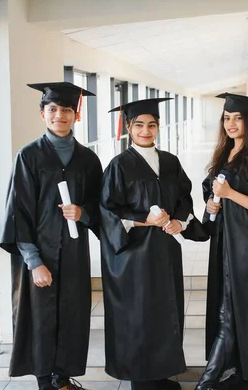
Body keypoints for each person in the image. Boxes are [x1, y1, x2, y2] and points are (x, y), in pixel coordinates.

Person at [0, 82, 102, 390]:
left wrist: (83, 213)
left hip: (73, 252)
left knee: (71, 313)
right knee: (41, 318)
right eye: (53, 109)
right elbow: (18, 212)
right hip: (39, 253)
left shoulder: (88, 160)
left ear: (76, 115)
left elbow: (102, 207)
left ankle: (62, 378)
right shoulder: (28, 156)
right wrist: (33, 261)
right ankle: (46, 382)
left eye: (67, 110)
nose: (60, 115)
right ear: (43, 113)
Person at [99, 98, 208, 390]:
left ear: (158, 127)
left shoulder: (170, 161)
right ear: (128, 128)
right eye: (139, 125)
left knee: (166, 311)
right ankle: (142, 380)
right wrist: (143, 220)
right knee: (139, 314)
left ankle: (162, 374)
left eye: (151, 125)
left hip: (165, 249)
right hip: (134, 254)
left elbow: (184, 197)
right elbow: (108, 210)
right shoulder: (119, 165)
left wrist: (180, 222)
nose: (145, 131)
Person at [195, 93, 248, 390]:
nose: (231, 123)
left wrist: (231, 195)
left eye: (238, 118)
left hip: (246, 249)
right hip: (223, 246)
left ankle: (206, 382)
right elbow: (213, 195)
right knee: (224, 308)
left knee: (229, 314)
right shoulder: (223, 155)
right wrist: (212, 205)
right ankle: (233, 371)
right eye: (226, 118)